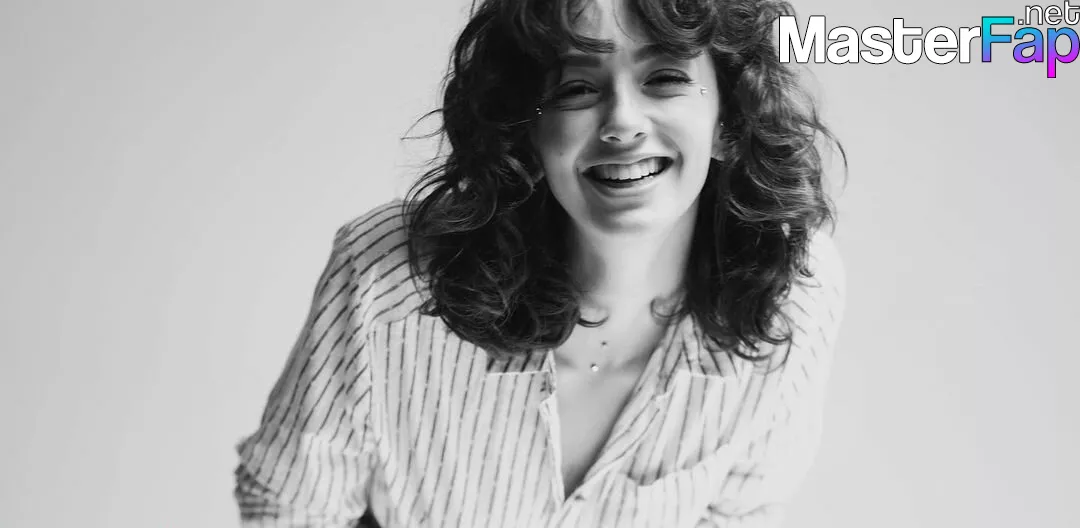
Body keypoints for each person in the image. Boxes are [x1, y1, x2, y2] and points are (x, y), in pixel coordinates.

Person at [232, 0, 848, 526]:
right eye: (576, 87)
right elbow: (291, 507)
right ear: (528, 128)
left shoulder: (793, 294)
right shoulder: (387, 280)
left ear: (728, 120)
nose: (622, 122)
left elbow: (740, 513)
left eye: (664, 77)